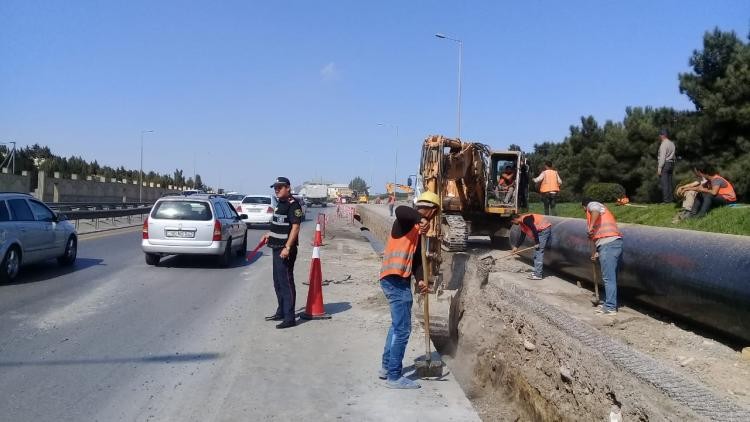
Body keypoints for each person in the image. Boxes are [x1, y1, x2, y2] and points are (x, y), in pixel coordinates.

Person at [378, 191, 440, 389]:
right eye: (434, 214)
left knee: (396, 326)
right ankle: (394, 377)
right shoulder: (406, 221)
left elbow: (416, 260)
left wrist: (421, 279)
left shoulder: (416, 230)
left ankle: (387, 368)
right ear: (432, 211)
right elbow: (401, 210)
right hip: (394, 280)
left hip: (396, 279)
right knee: (403, 330)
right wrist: (420, 218)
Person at [262, 177, 304, 329]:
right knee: (277, 282)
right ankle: (281, 311)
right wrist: (269, 233)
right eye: (275, 187)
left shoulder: (294, 205)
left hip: (285, 250)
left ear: (288, 187)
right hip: (275, 246)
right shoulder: (280, 203)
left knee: (286, 283)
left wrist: (287, 247)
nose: (277, 190)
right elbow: (279, 224)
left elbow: (295, 228)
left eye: (280, 187)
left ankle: (289, 317)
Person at [582, 198, 623, 316]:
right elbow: (602, 235)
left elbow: (595, 210)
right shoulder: (601, 211)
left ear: (584, 206)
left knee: (608, 278)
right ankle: (608, 303)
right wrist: (597, 252)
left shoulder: (592, 204)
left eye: (584, 210)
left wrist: (590, 227)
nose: (585, 212)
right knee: (610, 277)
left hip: (609, 244)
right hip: (609, 244)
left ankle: (610, 307)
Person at [511, 213, 552, 280]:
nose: (513, 223)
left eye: (512, 221)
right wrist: (516, 247)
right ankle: (537, 272)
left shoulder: (525, 219)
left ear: (515, 219)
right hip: (540, 230)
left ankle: (538, 275)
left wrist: (537, 242)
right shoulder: (522, 223)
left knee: (538, 251)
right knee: (536, 252)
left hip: (544, 229)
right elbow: (522, 236)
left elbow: (534, 229)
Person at [657, 129, 676, 203]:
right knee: (669, 182)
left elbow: (662, 157)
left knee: (664, 183)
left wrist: (659, 168)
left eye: (660, 135)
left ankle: (666, 201)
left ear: (663, 135)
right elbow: (674, 155)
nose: (659, 137)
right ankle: (671, 199)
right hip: (671, 163)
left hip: (665, 164)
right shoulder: (672, 143)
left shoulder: (663, 144)